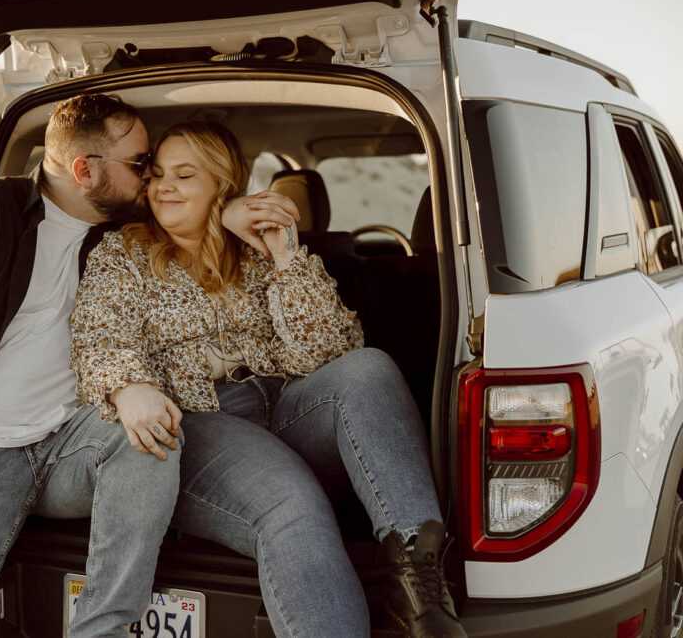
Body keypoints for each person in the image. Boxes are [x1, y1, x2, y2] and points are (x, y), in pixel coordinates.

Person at [0, 94, 305, 637]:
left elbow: (190, 205)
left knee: (148, 433)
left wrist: (228, 209)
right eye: (140, 164)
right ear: (84, 171)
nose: (151, 180)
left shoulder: (124, 227)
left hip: (77, 442)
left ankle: (102, 629)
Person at [70, 120, 467, 638]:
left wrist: (282, 255)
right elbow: (98, 339)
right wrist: (129, 387)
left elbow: (328, 351)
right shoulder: (123, 255)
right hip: (198, 423)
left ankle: (417, 575)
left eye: (185, 175)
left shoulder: (253, 255)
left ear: (222, 185)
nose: (164, 186)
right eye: (159, 174)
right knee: (293, 505)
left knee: (368, 369)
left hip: (280, 408)